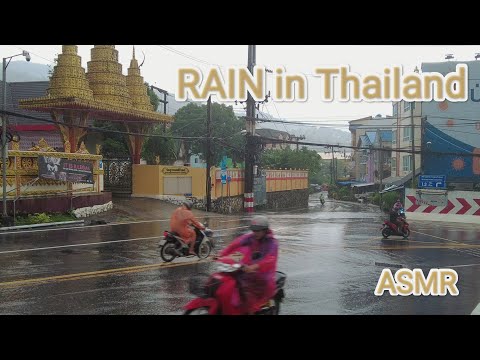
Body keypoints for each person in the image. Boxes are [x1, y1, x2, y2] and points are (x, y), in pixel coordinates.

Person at [218, 215, 279, 314]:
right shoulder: (250, 237)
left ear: (265, 230)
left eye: (258, 231)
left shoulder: (272, 243)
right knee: (233, 282)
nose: (255, 233)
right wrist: (221, 254)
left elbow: (270, 259)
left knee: (249, 297)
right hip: (248, 269)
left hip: (263, 274)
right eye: (254, 230)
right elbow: (235, 244)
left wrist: (255, 266)